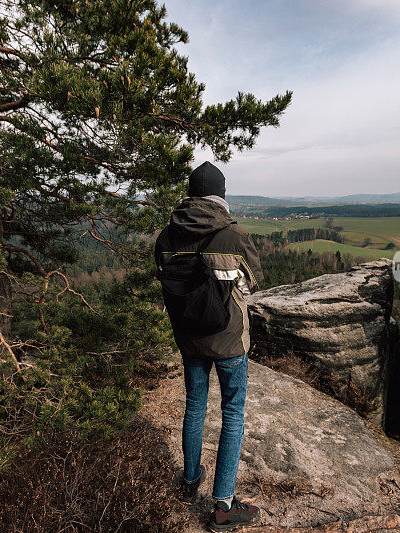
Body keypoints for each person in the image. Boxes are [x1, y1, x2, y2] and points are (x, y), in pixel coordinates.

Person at [154, 161, 264, 532]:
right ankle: (223, 506)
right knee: (232, 413)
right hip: (230, 340)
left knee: (195, 406)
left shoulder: (166, 238)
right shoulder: (234, 235)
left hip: (189, 340)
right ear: (221, 196)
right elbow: (253, 282)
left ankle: (188, 480)